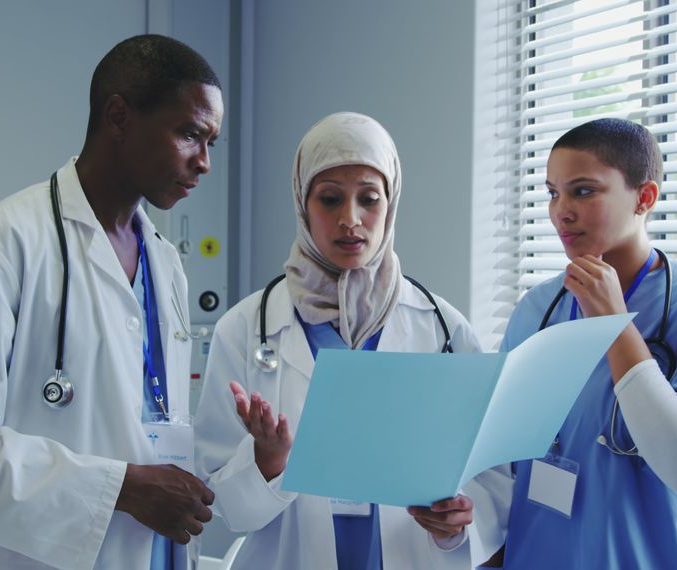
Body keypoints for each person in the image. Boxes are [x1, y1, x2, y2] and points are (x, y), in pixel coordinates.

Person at [0, 35, 223, 570]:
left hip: (151, 550)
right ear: (118, 116)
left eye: (212, 142)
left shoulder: (165, 261)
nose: (204, 162)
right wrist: (123, 488)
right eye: (190, 134)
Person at [194, 112, 512, 570]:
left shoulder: (443, 328)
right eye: (329, 199)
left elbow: (489, 479)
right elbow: (221, 500)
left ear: (392, 203)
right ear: (303, 206)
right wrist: (269, 463)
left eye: (369, 199)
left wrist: (457, 523)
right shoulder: (245, 329)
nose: (351, 219)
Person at [492, 118, 677, 568]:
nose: (561, 211)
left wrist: (614, 322)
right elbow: (501, 461)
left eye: (583, 191)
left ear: (645, 197)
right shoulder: (538, 308)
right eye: (553, 193)